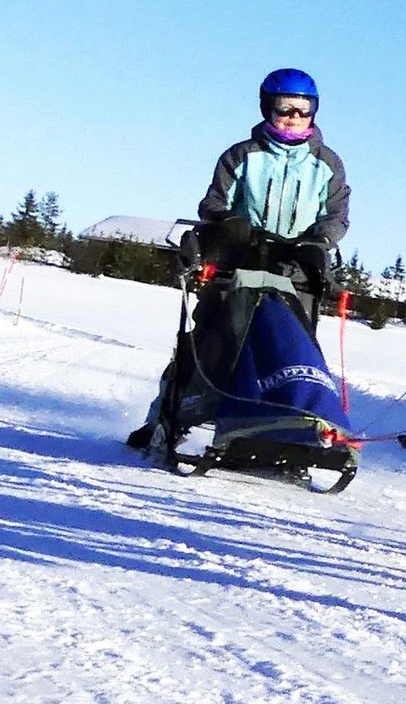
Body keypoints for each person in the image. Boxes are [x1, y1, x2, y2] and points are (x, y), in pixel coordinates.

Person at [126, 68, 352, 450]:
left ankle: (287, 430)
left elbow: (336, 214)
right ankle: (164, 417)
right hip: (238, 261)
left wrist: (320, 242)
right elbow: (213, 202)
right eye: (284, 109)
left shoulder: (327, 164)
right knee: (208, 343)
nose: (293, 117)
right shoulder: (241, 155)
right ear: (268, 108)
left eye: (303, 109)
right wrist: (229, 224)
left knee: (290, 348)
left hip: (296, 269)